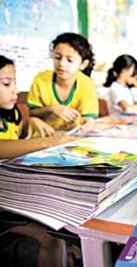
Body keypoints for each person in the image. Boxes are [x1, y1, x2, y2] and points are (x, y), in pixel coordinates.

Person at [0, 55, 73, 267]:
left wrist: (32, 121)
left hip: (12, 195)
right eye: (6, 83)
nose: (15, 90)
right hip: (6, 206)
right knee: (52, 238)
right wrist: (45, 143)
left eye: (14, 82)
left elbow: (15, 138)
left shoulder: (10, 115)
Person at [27, 32, 98, 131]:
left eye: (69, 60)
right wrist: (51, 109)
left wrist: (88, 124)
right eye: (57, 57)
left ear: (83, 64)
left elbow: (89, 118)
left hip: (72, 137)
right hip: (43, 137)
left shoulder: (87, 84)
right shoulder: (41, 79)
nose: (61, 64)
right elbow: (31, 112)